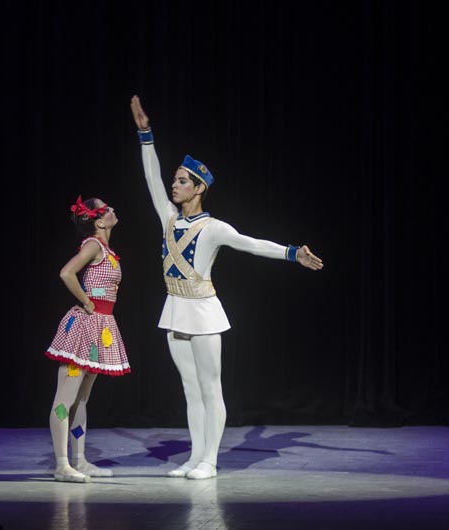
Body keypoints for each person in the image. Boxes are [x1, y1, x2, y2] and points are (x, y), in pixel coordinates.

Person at [129, 95, 324, 480]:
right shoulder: (168, 217)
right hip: (175, 307)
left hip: (203, 311)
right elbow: (151, 178)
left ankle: (210, 460)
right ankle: (194, 456)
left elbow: (252, 244)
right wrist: (145, 134)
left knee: (210, 387)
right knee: (190, 389)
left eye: (182, 181)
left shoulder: (214, 228)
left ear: (198, 188)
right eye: (175, 180)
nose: (174, 185)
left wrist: (291, 253)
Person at [44, 195, 130, 483]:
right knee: (65, 398)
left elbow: (98, 286)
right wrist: (86, 301)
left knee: (81, 400)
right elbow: (67, 273)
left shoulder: (105, 249)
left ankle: (79, 460)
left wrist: (95, 302)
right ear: (99, 221)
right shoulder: (93, 244)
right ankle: (62, 464)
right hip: (84, 328)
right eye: (107, 208)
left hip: (99, 329)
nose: (113, 209)